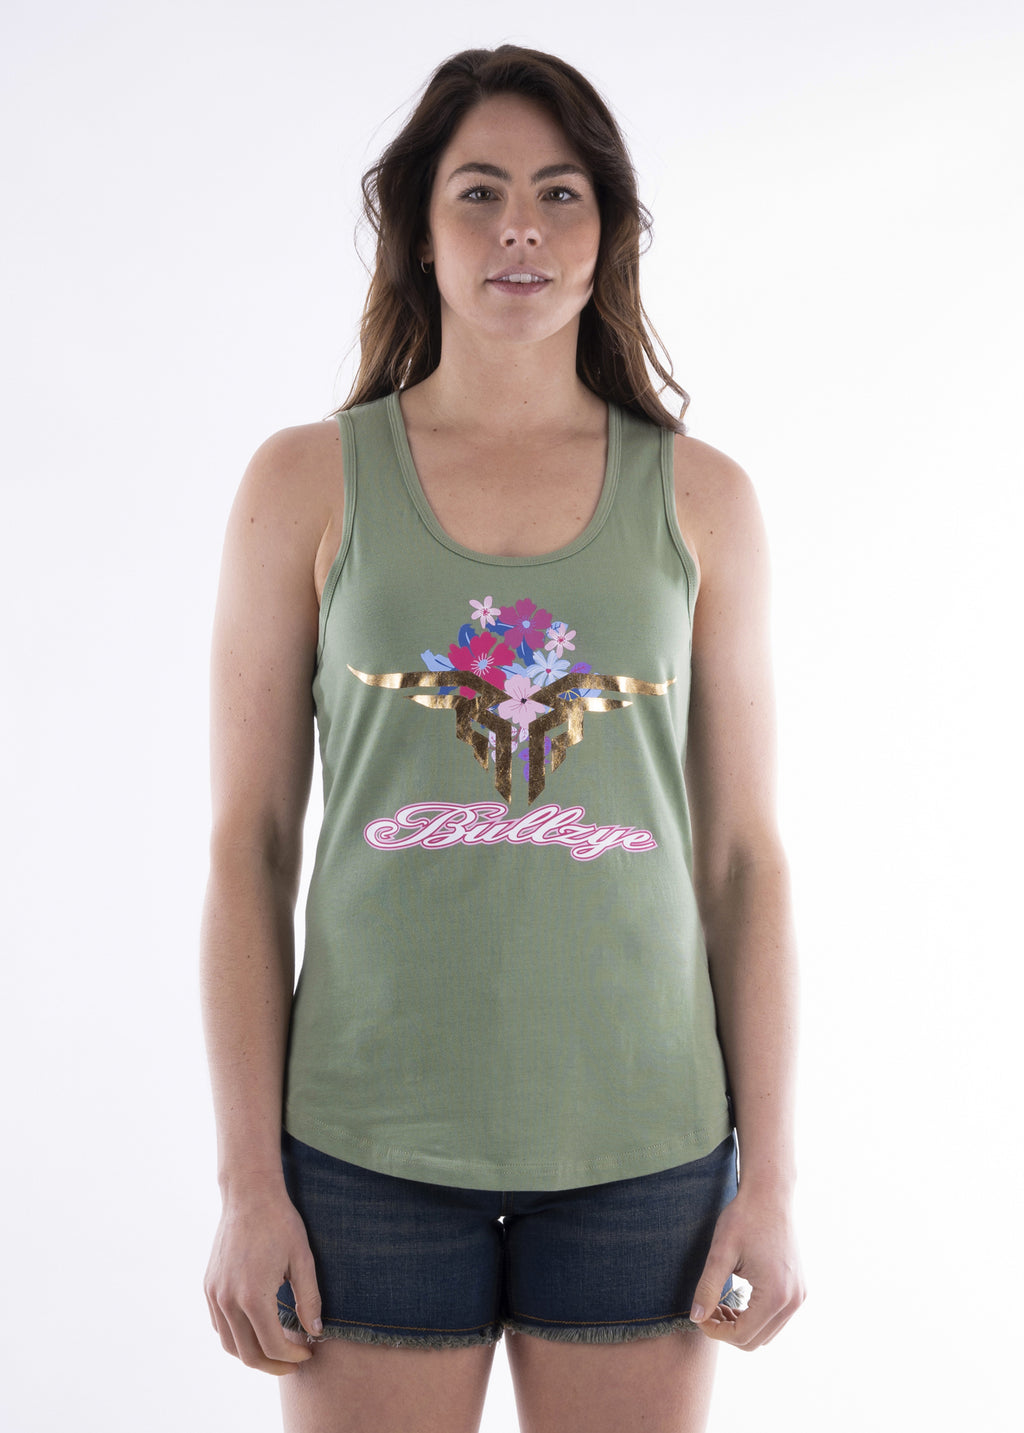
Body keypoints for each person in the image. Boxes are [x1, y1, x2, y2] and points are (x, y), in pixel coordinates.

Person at [201, 44, 804, 1433]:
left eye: (558, 192)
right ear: (420, 230)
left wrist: (770, 1181)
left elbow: (745, 861)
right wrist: (247, 1185)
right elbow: (248, 848)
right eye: (478, 192)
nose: (519, 226)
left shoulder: (704, 501)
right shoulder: (306, 482)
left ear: (608, 232)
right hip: (362, 1148)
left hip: (647, 1151)